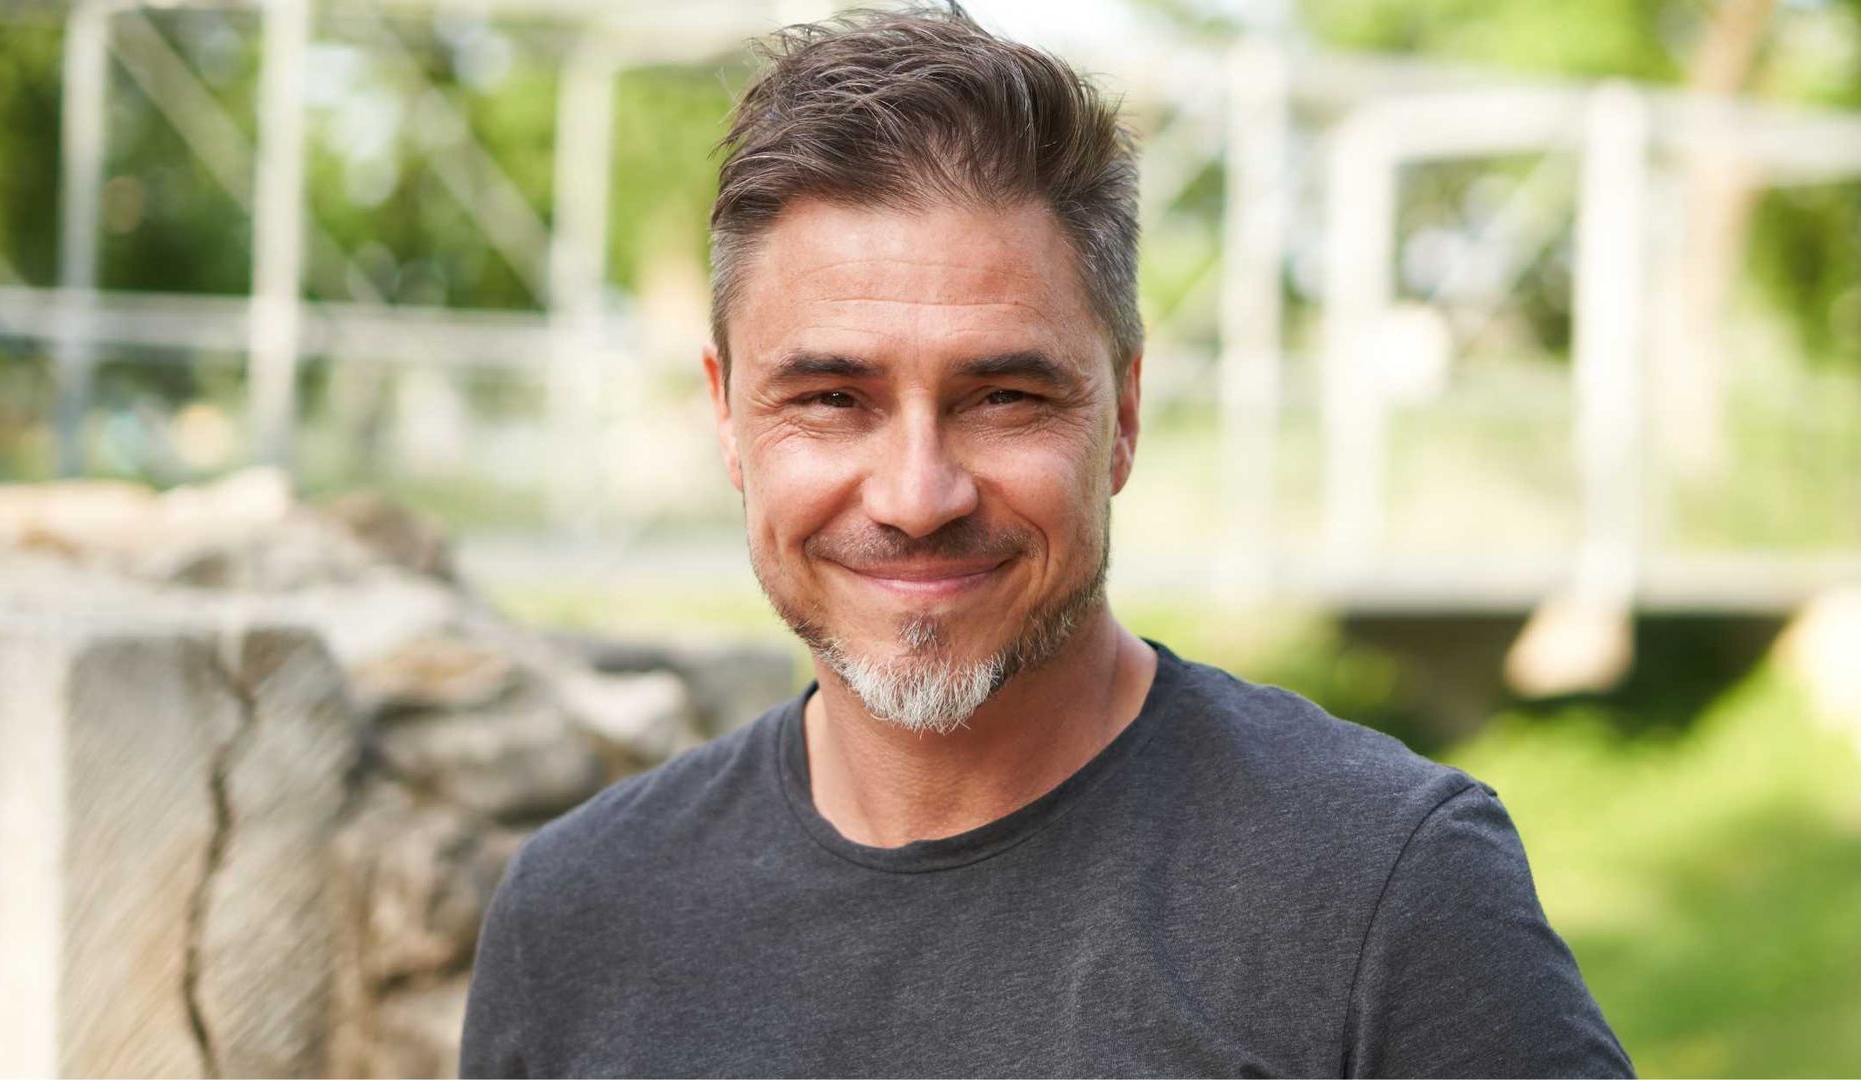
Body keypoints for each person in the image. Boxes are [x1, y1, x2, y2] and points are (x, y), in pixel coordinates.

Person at [460, 5, 1633, 1076]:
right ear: (727, 417)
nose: (918, 495)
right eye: (830, 399)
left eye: (1004, 397)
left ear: (1121, 415)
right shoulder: (576, 915)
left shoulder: (1387, 892)